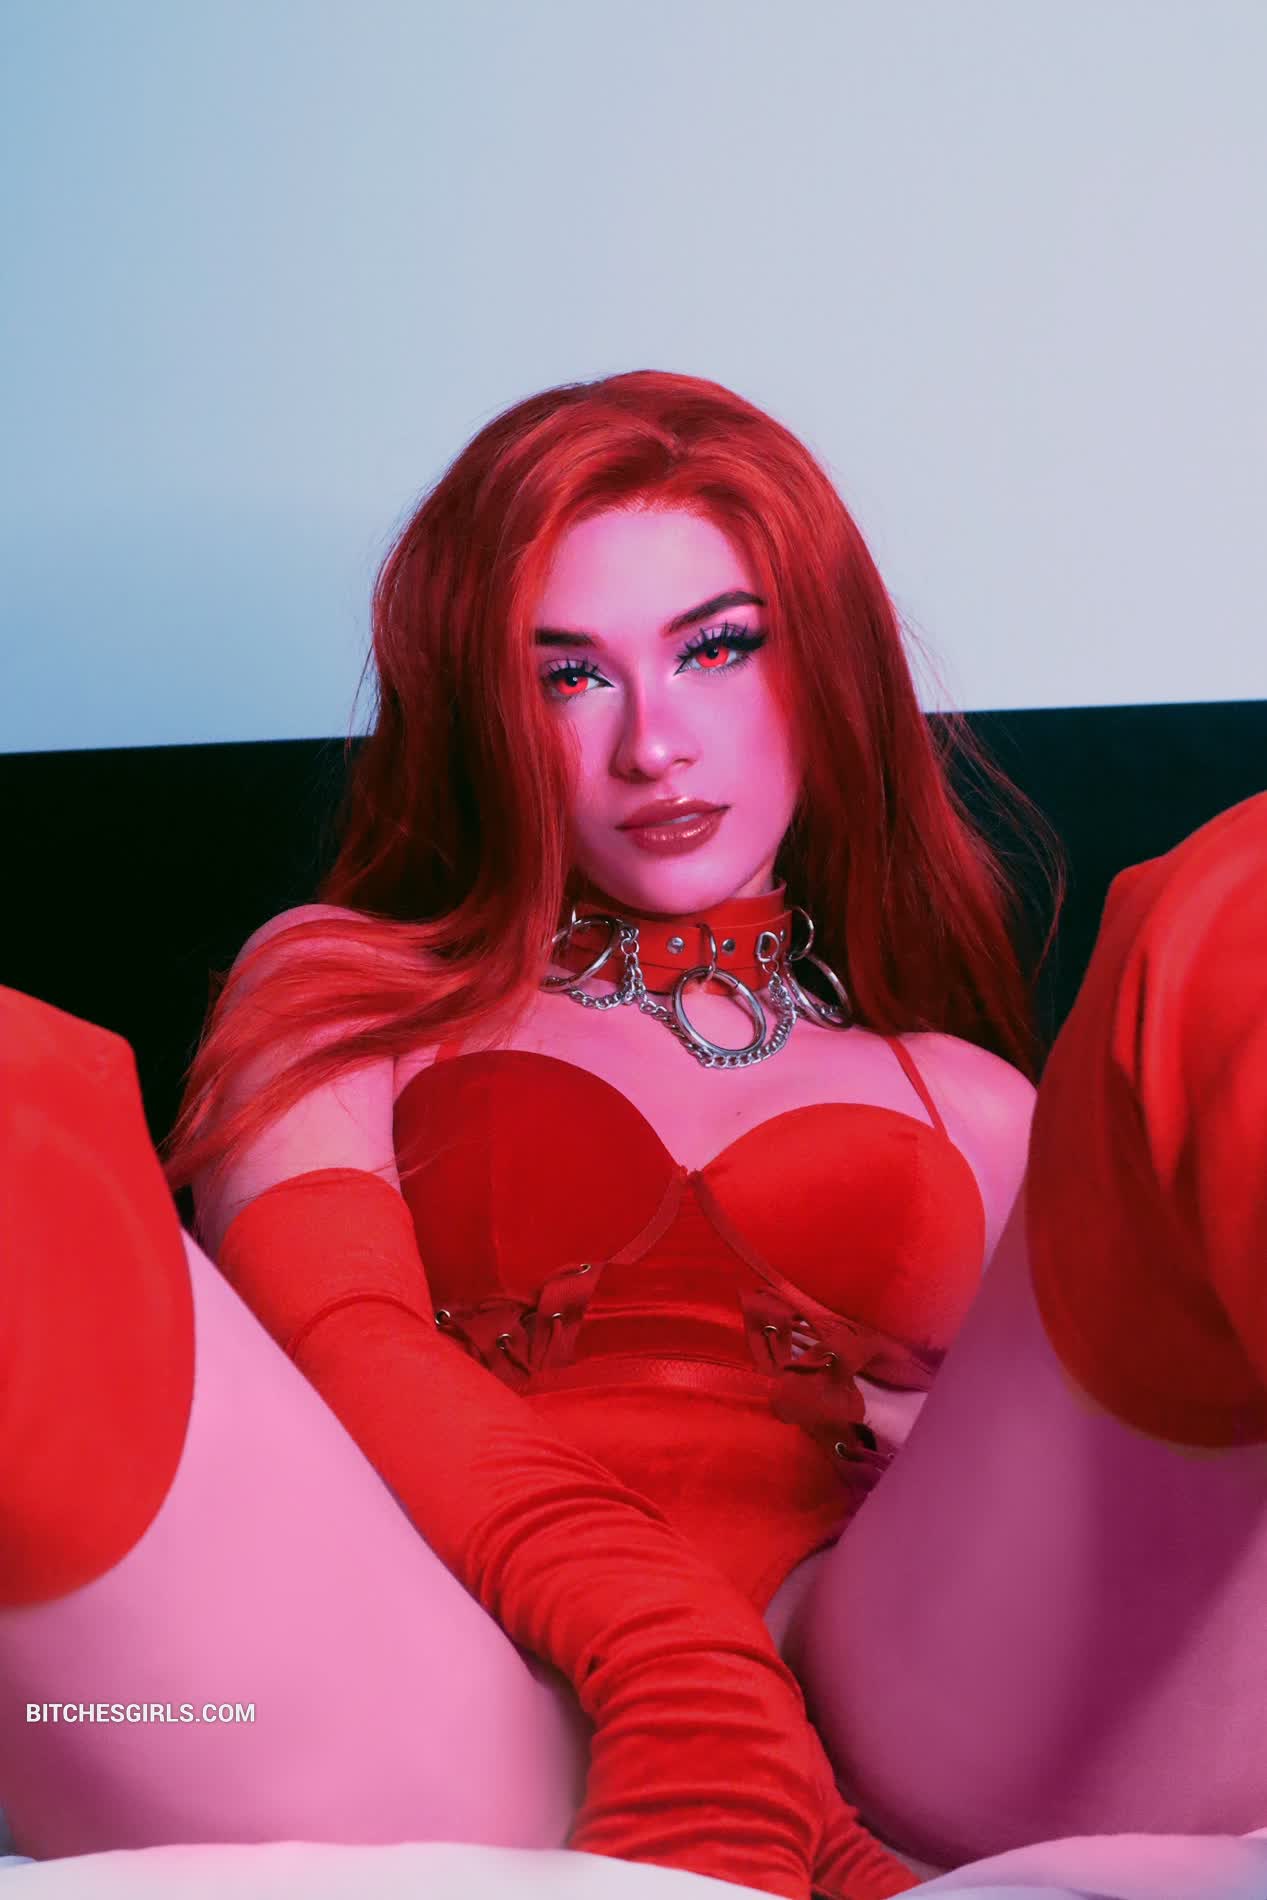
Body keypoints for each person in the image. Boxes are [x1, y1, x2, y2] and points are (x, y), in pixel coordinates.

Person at [1, 370, 1264, 1900]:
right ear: (485, 715)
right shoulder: (349, 988)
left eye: (717, 647)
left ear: (826, 664)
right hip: (468, 1678)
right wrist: (683, 1671)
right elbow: (339, 1335)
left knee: (1238, 916)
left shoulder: (973, 1097)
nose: (654, 744)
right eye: (566, 678)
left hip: (905, 1691)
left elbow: (1071, 1486)